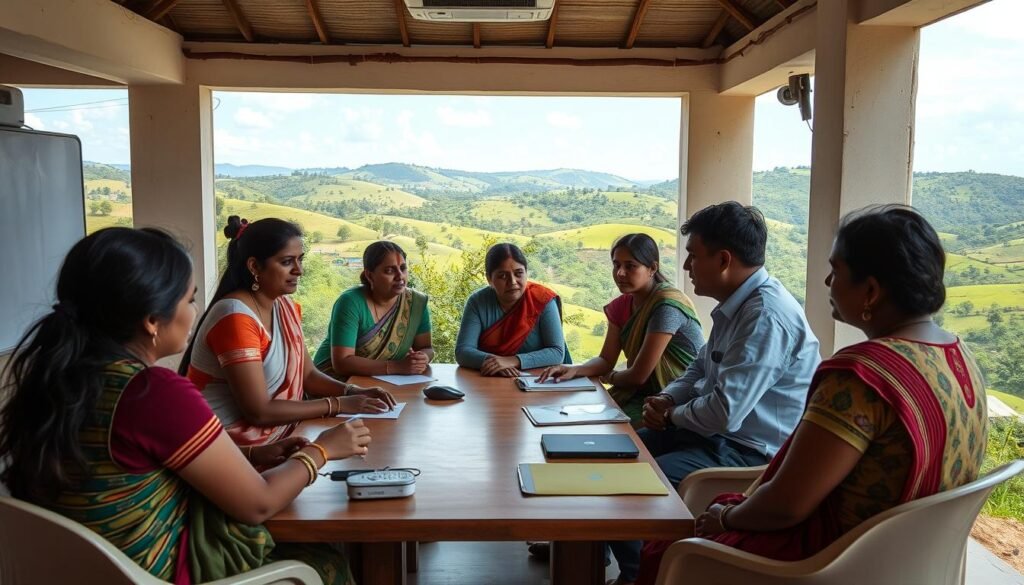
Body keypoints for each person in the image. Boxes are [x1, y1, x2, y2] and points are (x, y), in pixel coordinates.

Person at [636, 205, 989, 584]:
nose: (826, 283)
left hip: (834, 560)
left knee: (667, 546)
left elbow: (784, 507)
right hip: (903, 561)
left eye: (836, 271)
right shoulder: (957, 356)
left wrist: (723, 516)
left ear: (870, 290)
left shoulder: (861, 376)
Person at [0, 227, 371, 584]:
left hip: (81, 570)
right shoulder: (150, 391)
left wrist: (255, 455)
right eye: (189, 298)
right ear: (151, 321)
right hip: (156, 572)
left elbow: (141, 460)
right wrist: (324, 450)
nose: (195, 312)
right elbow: (257, 504)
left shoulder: (61, 378)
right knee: (325, 560)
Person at [182, 216, 395, 449]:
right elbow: (259, 412)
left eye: (300, 260)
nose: (299, 270)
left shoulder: (282, 306)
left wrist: (354, 391)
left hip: (281, 436)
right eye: (287, 262)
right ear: (254, 266)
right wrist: (341, 404)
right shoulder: (235, 317)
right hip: (231, 450)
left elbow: (308, 376)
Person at [538, 233, 704, 425]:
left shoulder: (666, 306)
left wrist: (610, 376)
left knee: (603, 426)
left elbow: (638, 376)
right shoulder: (621, 306)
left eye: (630, 266)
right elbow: (606, 359)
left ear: (652, 268)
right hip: (641, 394)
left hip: (677, 397)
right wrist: (575, 370)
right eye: (616, 265)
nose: (620, 273)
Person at [314, 241, 433, 379]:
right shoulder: (350, 302)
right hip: (333, 383)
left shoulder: (416, 303)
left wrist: (422, 358)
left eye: (403, 268)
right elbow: (342, 363)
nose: (400, 276)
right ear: (370, 276)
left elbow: (427, 348)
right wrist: (397, 367)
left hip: (387, 382)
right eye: (390, 270)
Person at [456, 242, 567, 376]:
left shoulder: (542, 300)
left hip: (540, 381)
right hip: (491, 383)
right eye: (503, 276)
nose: (513, 282)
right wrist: (495, 363)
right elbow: (463, 351)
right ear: (489, 279)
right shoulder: (478, 302)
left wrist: (512, 361)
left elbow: (557, 352)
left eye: (518, 273)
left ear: (526, 273)